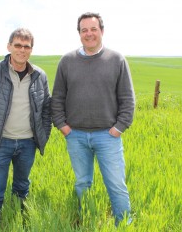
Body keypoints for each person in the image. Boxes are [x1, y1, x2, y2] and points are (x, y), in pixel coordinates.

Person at [51, 12, 135, 226]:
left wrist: (118, 129)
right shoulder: (67, 61)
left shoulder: (116, 60)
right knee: (82, 182)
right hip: (76, 136)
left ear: (102, 31)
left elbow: (127, 99)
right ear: (79, 33)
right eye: (84, 30)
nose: (89, 34)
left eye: (93, 29)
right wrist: (63, 127)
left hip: (108, 136)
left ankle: (123, 224)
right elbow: (57, 98)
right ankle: (86, 220)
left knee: (116, 184)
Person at [0, 28, 52, 230]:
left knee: (22, 186)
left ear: (31, 50)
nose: (22, 50)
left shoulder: (39, 75)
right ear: (9, 46)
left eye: (27, 46)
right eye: (18, 45)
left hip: (28, 143)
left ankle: (20, 220)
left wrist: (43, 136)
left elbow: (46, 109)